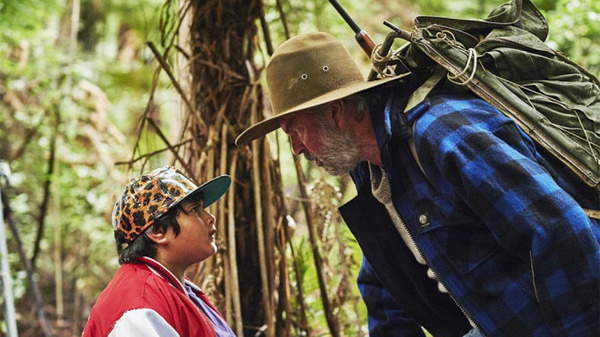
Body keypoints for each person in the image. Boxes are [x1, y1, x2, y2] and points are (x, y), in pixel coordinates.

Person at [235, 31, 600, 336]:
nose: (296, 149)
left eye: (294, 130)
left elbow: (559, 230)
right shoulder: (372, 172)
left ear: (336, 112)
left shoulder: (442, 134)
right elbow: (385, 287)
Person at [82, 166, 236, 337]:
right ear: (158, 231)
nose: (210, 218)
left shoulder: (176, 288)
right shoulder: (139, 308)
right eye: (194, 209)